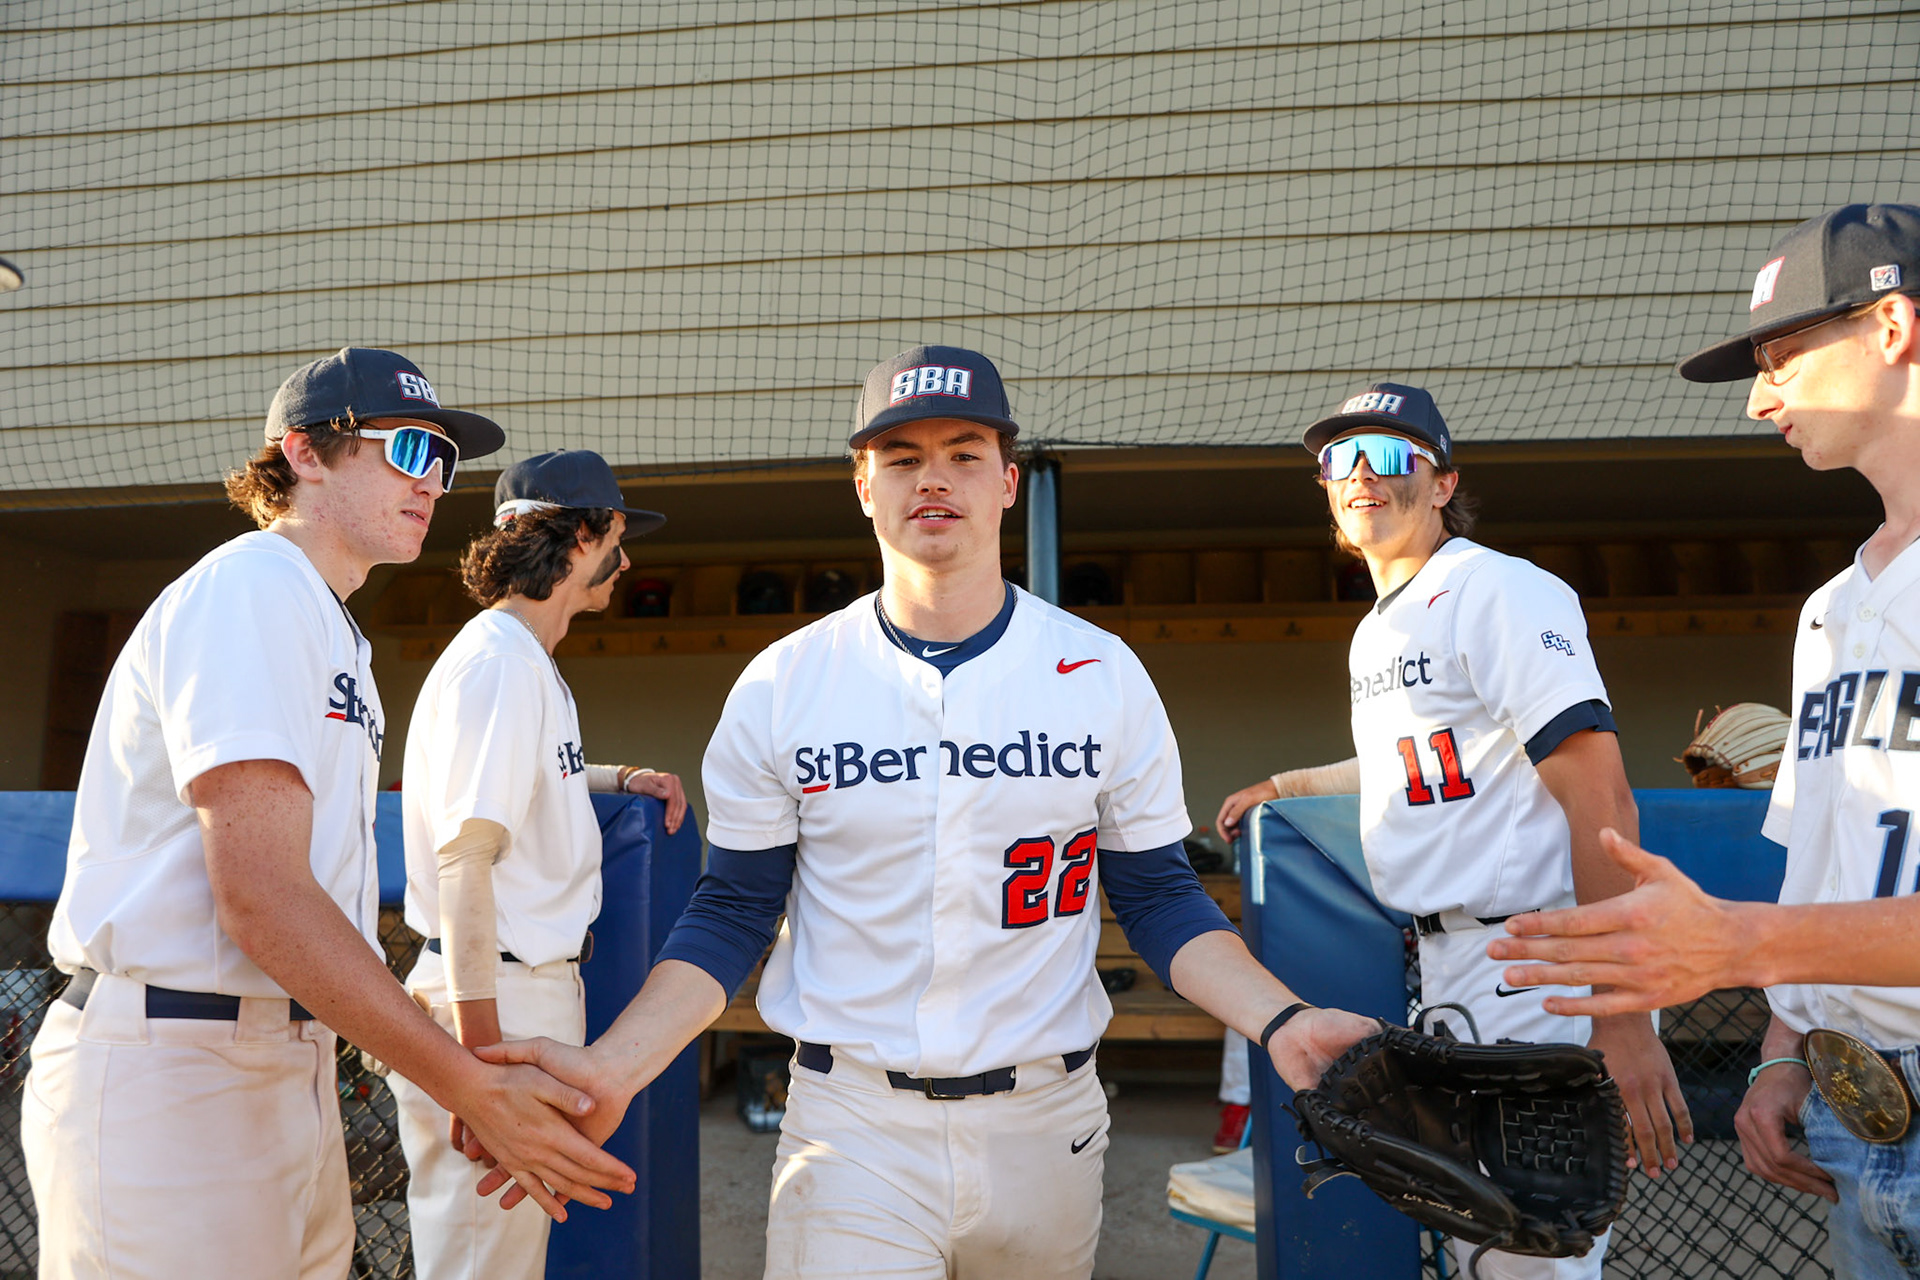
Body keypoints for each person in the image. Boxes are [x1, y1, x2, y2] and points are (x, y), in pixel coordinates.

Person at [472, 344, 1377, 1278]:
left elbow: (1160, 899)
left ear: (1008, 482)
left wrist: (1283, 1021)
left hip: (1048, 1123)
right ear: (864, 487)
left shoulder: (1102, 673)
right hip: (852, 1123)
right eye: (902, 458)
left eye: (964, 454)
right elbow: (734, 910)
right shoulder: (784, 682)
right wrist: (617, 1064)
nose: (933, 479)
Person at [25, 349, 635, 1280]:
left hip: (285, 1053)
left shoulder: (332, 622)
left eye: (445, 462)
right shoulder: (254, 586)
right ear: (304, 453)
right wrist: (470, 1081)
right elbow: (263, 898)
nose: (432, 483)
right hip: (177, 1062)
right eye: (409, 449)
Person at [1488, 203, 1920, 1271]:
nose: (1760, 396)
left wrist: (1736, 945)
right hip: (1855, 1102)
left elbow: (1769, 927)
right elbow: (1820, 868)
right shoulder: (1831, 610)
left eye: (1780, 357)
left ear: (1892, 327)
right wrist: (1785, 1048)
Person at [1214, 382, 1691, 1280]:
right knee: (1481, 1253)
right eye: (1341, 459)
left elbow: (1601, 794)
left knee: (1535, 1260)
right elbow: (1425, 759)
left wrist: (1622, 1013)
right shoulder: (1378, 628)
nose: (1363, 474)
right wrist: (1288, 784)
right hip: (1450, 967)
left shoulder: (1497, 588)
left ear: (1443, 485)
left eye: (1391, 455)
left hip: (1541, 965)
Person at [393, 449, 688, 1280]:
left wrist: (619, 778)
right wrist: (480, 1071)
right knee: (479, 1265)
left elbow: (529, 777)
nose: (624, 563)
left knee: (501, 1260)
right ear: (583, 536)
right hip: (496, 1003)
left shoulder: (522, 658)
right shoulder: (499, 663)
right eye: (617, 541)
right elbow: (466, 859)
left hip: (517, 995)